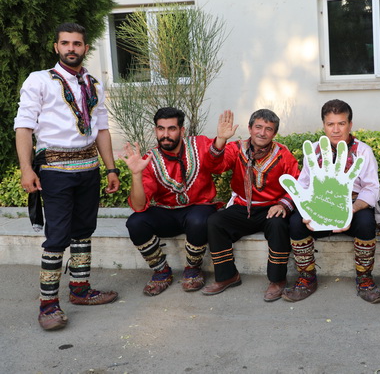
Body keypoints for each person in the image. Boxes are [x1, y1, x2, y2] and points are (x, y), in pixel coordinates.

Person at [14, 22, 121, 331]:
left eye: (76, 43)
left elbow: (101, 129)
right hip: (55, 169)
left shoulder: (93, 84)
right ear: (56, 47)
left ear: (85, 48)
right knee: (58, 236)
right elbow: (24, 126)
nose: (71, 48)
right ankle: (48, 305)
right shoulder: (39, 80)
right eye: (65, 43)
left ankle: (80, 290)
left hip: (89, 168)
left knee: (84, 230)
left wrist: (111, 168)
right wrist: (26, 168)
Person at [123, 107, 237, 296]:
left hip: (198, 210)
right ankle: (161, 271)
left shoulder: (199, 144)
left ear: (182, 130)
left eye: (171, 129)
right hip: (166, 212)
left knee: (199, 219)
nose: (165, 135)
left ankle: (193, 268)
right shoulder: (150, 159)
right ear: (155, 130)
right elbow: (138, 205)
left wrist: (221, 140)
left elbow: (217, 165)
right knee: (135, 222)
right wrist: (136, 174)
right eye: (161, 129)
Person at [282, 99, 380, 304]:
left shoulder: (363, 151)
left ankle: (364, 279)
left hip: (352, 206)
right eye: (330, 124)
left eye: (341, 123)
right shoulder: (314, 151)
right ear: (324, 126)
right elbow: (303, 184)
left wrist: (350, 209)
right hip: (320, 205)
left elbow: (372, 188)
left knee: (366, 223)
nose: (336, 130)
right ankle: (307, 278)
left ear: (350, 125)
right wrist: (308, 209)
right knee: (296, 222)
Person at [202, 109, 300, 302]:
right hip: (243, 206)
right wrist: (220, 140)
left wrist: (283, 205)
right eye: (258, 127)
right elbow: (214, 167)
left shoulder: (283, 154)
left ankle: (277, 280)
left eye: (268, 129)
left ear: (274, 133)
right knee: (215, 222)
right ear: (249, 128)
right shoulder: (236, 149)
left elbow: (297, 183)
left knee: (278, 225)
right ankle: (228, 276)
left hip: (271, 207)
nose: (262, 133)